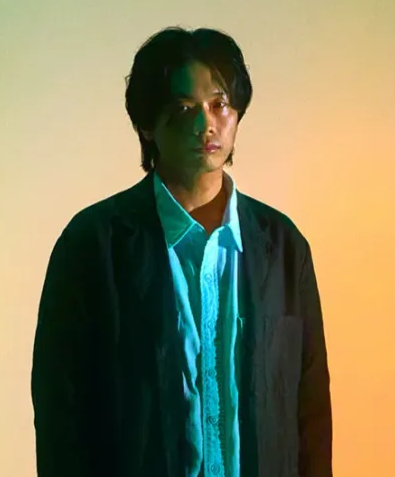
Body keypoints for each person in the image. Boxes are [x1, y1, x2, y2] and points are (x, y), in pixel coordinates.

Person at [32, 27, 332, 477]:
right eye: (183, 108)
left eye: (219, 104)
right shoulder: (93, 246)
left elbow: (310, 413)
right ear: (146, 124)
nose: (205, 124)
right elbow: (61, 417)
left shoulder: (284, 247)